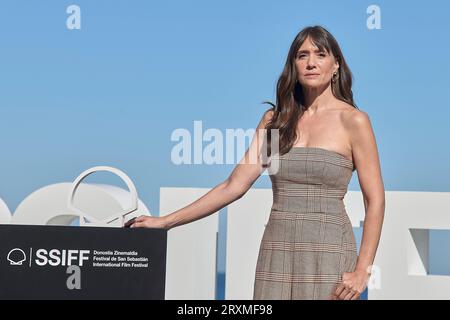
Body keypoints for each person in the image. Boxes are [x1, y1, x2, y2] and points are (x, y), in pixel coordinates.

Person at [126, 25, 385, 300]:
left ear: (336, 66)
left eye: (320, 55)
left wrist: (362, 271)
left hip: (331, 250)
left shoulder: (354, 122)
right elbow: (233, 186)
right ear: (293, 66)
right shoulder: (276, 122)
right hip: (277, 248)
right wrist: (166, 222)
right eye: (302, 55)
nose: (311, 62)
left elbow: (376, 200)